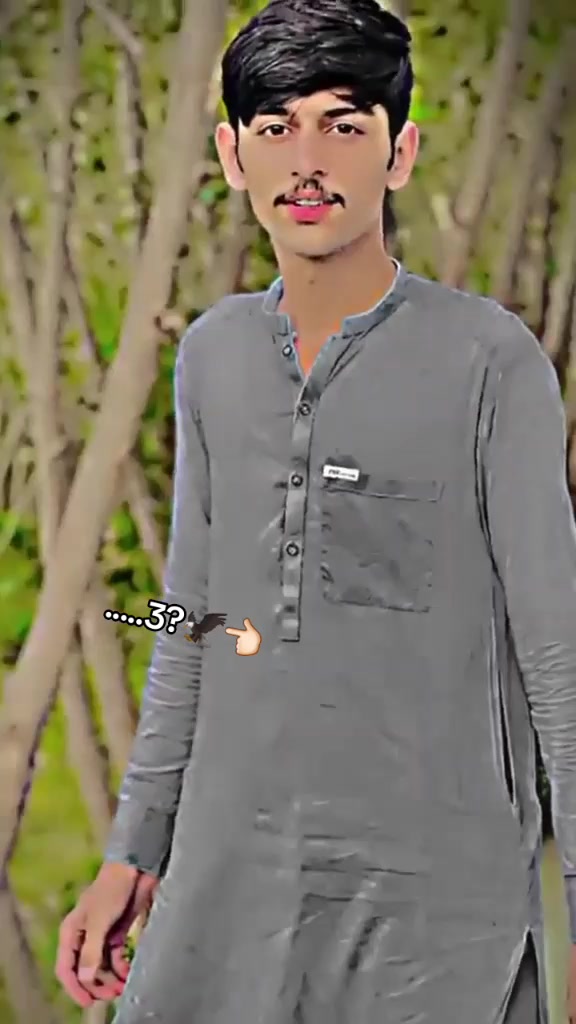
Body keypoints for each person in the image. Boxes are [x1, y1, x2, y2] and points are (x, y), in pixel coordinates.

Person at [55, 1, 576, 1021]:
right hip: (231, 885)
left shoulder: (489, 361)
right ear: (231, 154)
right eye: (276, 126)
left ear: (400, 152)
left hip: (434, 916)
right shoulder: (212, 356)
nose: (307, 162)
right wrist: (134, 848)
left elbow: (557, 651)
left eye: (343, 125)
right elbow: (193, 618)